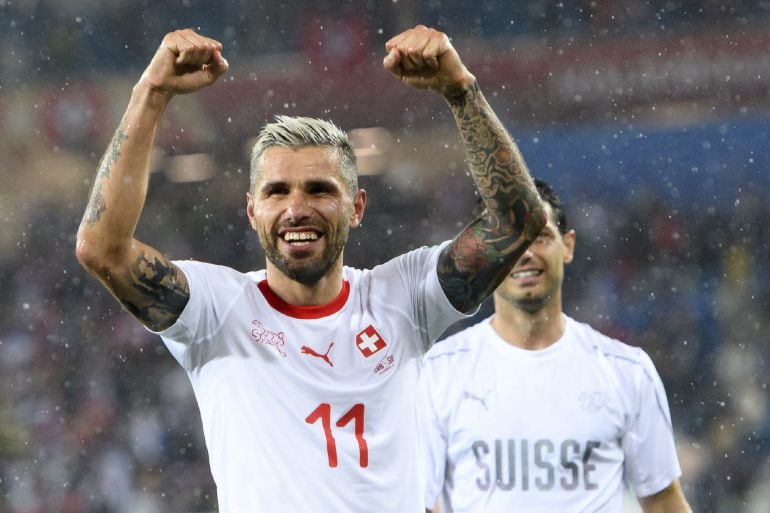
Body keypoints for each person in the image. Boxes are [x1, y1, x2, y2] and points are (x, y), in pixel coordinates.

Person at [75, 25, 546, 513]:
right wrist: (151, 92)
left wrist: (461, 90)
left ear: (357, 207)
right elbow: (101, 248)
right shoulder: (216, 309)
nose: (297, 209)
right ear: (252, 211)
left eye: (319, 190)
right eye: (277, 192)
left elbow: (518, 224)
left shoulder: (402, 298)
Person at [419, 180, 693, 513]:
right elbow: (421, 502)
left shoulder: (627, 370)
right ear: (484, 257)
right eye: (507, 241)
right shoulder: (438, 373)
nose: (526, 253)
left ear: (568, 245)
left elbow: (664, 504)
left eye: (541, 237)